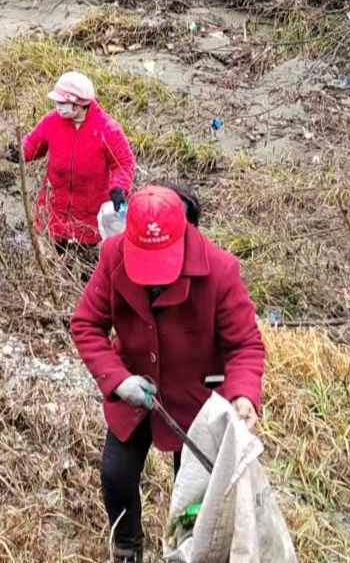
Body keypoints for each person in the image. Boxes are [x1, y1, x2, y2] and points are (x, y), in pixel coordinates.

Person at [71, 185, 265, 563]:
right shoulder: (113, 256)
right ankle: (127, 549)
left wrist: (242, 394)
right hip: (135, 394)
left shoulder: (219, 270)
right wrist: (119, 379)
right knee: (115, 476)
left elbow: (245, 346)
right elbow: (86, 325)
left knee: (195, 494)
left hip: (196, 404)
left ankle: (188, 552)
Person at [19, 71, 135, 259]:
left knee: (85, 263)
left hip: (89, 211)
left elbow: (123, 163)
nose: (58, 107)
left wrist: (119, 188)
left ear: (80, 103)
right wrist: (19, 152)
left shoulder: (106, 129)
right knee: (53, 258)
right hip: (54, 207)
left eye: (62, 103)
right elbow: (33, 145)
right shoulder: (51, 122)